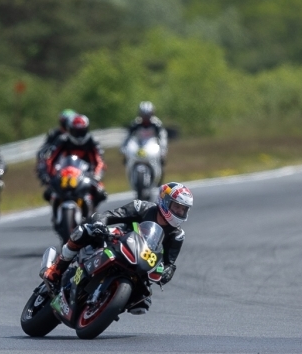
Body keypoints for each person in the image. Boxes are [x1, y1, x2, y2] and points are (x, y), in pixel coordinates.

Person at [44, 182, 193, 314]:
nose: (179, 212)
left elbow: (169, 263)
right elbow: (110, 215)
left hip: (141, 261)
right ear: (165, 201)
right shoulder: (142, 207)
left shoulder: (177, 235)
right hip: (119, 240)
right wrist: (99, 224)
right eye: (177, 207)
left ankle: (107, 302)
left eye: (183, 209)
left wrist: (166, 272)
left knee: (141, 303)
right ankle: (57, 269)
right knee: (83, 231)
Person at [44, 114, 108, 207]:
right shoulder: (63, 140)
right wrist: (50, 175)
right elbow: (51, 159)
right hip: (66, 173)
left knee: (100, 193)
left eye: (81, 132)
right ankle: (56, 211)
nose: (78, 135)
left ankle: (92, 214)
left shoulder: (92, 141)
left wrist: (97, 176)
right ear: (70, 130)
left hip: (87, 174)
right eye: (76, 132)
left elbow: (99, 161)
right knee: (48, 193)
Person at [123, 100, 168, 175]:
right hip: (138, 146)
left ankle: (158, 177)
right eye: (144, 115)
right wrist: (124, 150)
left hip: (152, 146)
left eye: (148, 115)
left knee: (160, 161)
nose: (146, 117)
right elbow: (127, 137)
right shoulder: (135, 123)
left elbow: (163, 138)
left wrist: (162, 151)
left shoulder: (157, 124)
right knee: (128, 160)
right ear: (140, 114)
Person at [37, 109, 76, 193]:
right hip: (59, 164)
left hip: (75, 165)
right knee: (49, 192)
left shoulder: (78, 135)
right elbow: (43, 151)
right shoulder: (54, 134)